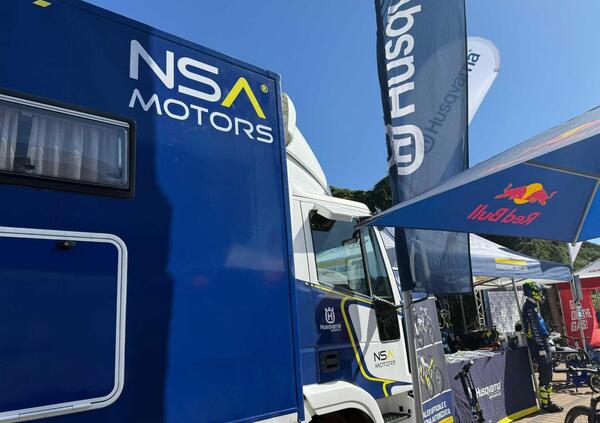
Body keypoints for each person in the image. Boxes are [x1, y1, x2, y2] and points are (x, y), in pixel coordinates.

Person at [521, 280, 563, 413]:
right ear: (533, 292)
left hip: (542, 345)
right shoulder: (529, 308)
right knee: (545, 374)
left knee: (548, 374)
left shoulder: (531, 306)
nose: (542, 294)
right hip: (540, 347)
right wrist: (542, 348)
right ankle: (546, 404)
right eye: (539, 291)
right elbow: (535, 330)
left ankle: (547, 401)